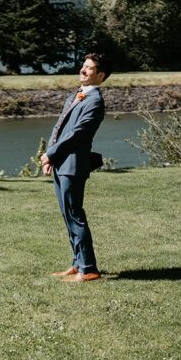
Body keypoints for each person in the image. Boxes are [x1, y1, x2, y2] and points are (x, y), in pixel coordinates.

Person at [40, 53, 110, 283]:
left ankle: (89, 268)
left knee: (75, 215)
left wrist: (50, 153)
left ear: (100, 75)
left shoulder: (95, 102)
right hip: (61, 161)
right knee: (67, 215)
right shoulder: (75, 96)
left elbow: (77, 135)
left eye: (89, 68)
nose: (83, 70)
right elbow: (59, 127)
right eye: (83, 66)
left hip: (73, 164)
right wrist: (50, 156)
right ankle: (77, 263)